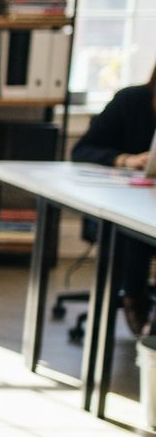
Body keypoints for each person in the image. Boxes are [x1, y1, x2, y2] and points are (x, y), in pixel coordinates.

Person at [71, 62, 156, 335]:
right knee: (134, 230)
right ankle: (134, 300)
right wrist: (125, 160)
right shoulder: (131, 101)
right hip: (118, 208)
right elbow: (81, 150)